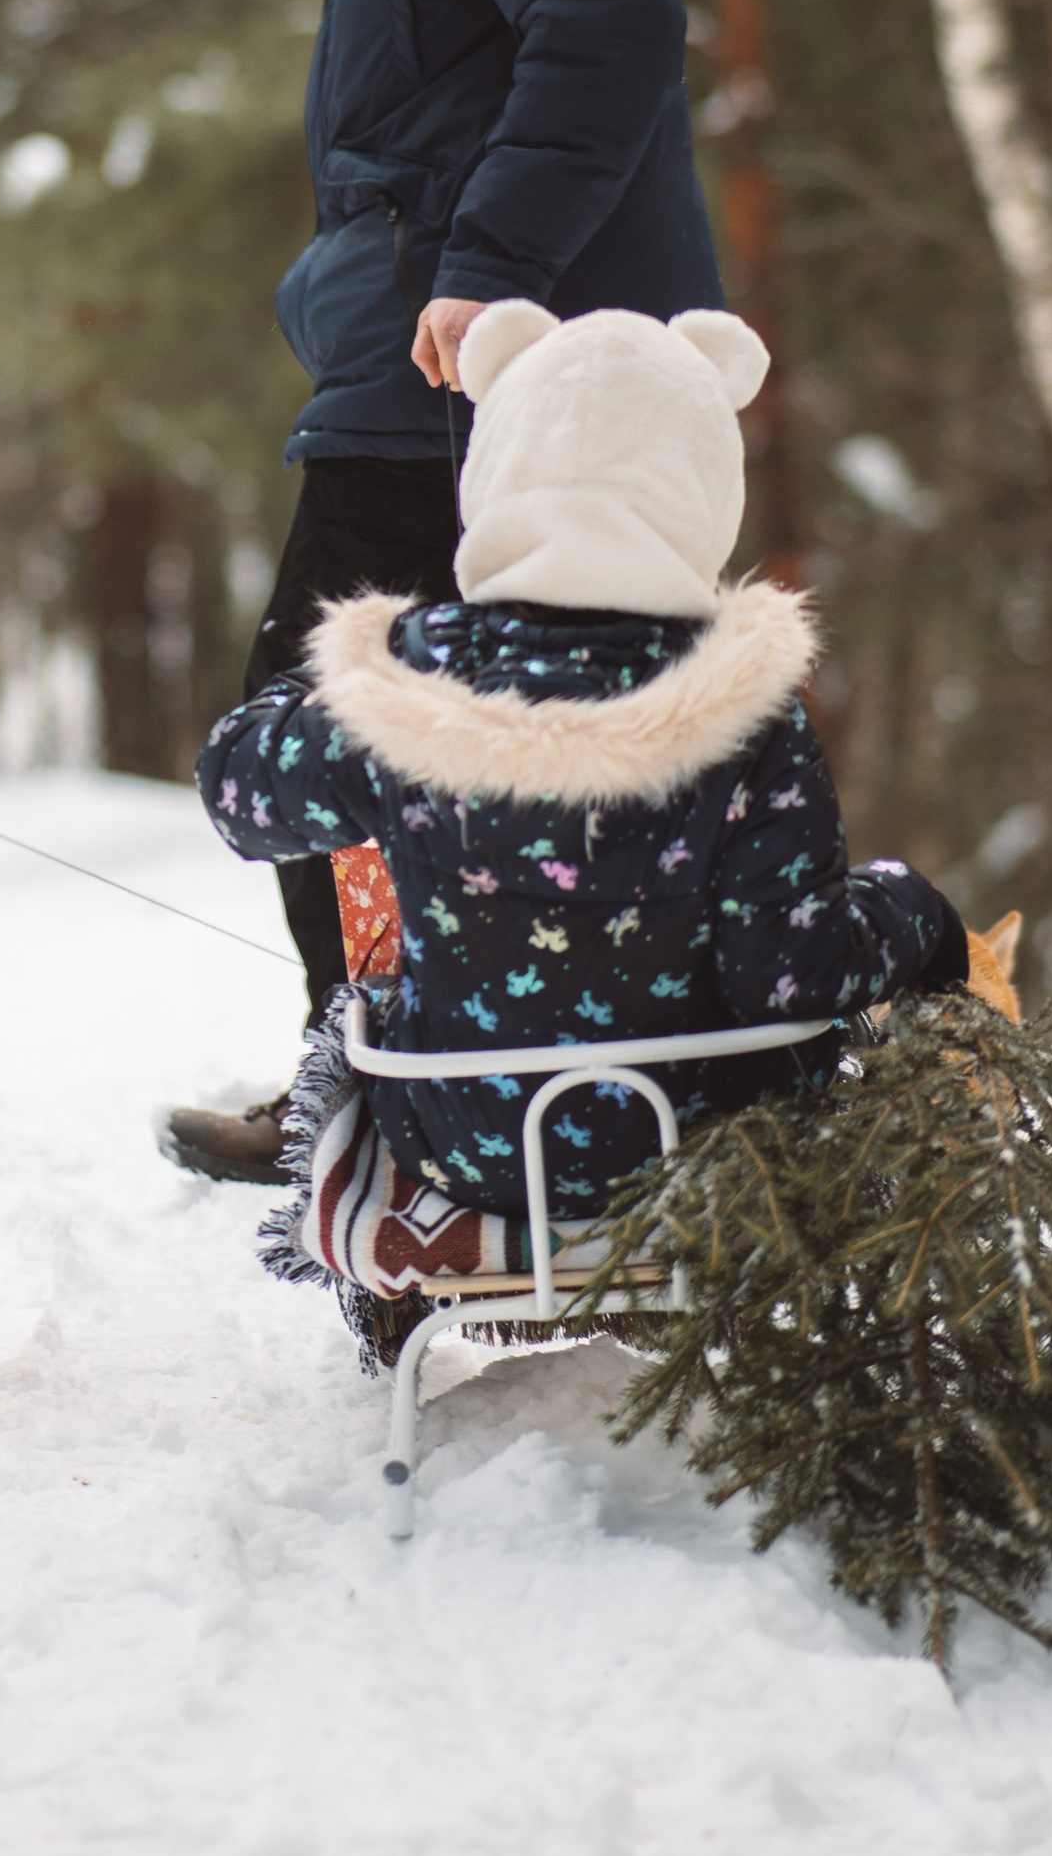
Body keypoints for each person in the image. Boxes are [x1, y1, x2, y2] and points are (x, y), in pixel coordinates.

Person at [160, 0, 721, 1183]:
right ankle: (451, 1083)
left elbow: (610, 19)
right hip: (442, 337)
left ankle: (399, 1086)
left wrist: (482, 266)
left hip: (490, 353)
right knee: (475, 739)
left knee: (325, 711)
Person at [194, 300, 977, 1298]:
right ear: (701, 482)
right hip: (704, 1149)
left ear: (502, 465)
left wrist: (325, 685)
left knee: (370, 996)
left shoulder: (410, 682)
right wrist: (913, 913)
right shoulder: (746, 713)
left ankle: (404, 1288)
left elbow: (236, 794)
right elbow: (788, 976)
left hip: (465, 1146)